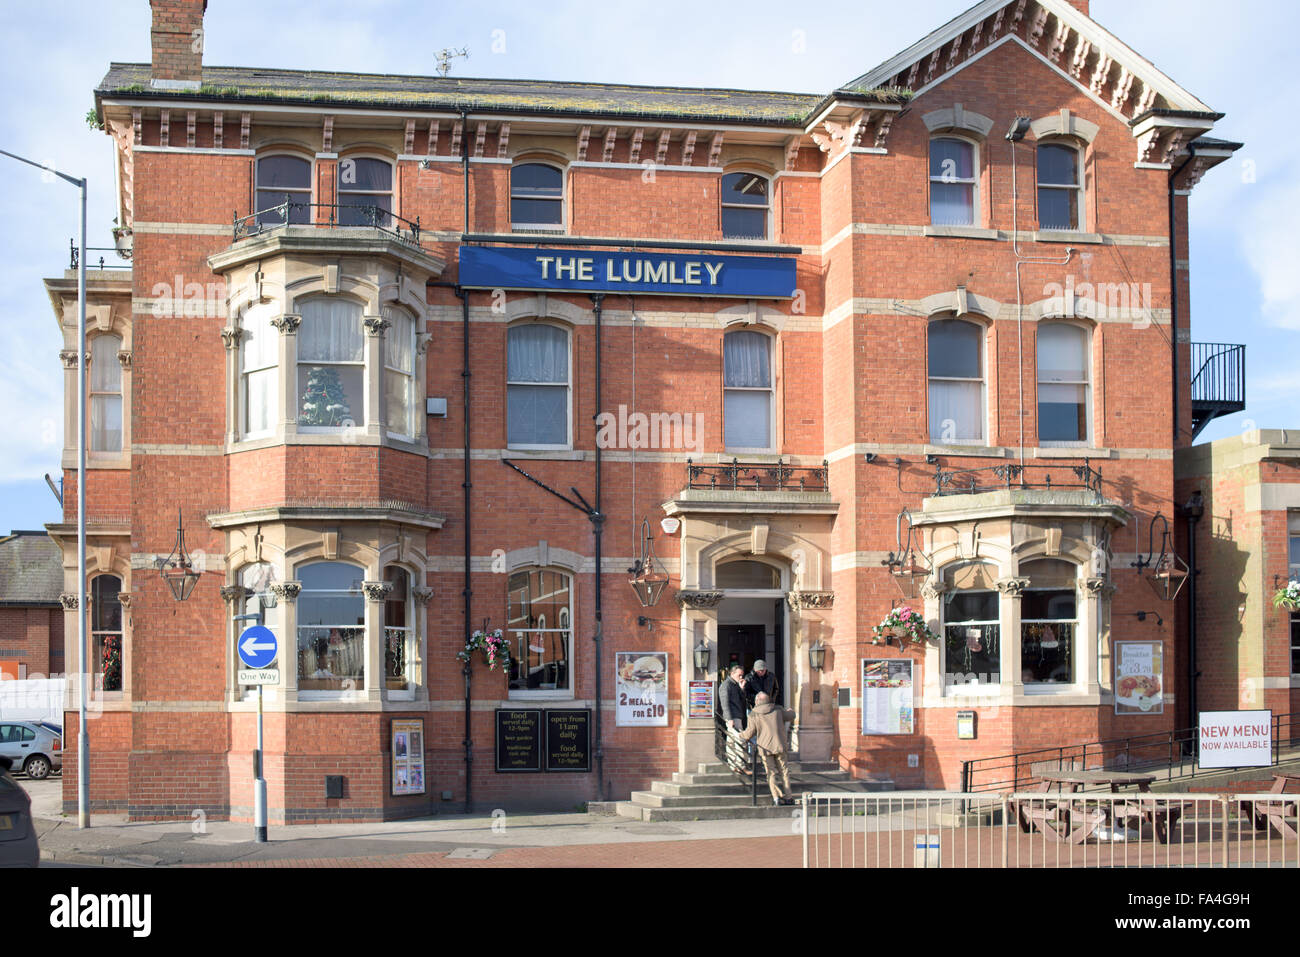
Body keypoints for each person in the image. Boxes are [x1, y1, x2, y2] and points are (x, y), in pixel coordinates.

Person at [739, 692, 798, 805]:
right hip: (780, 746)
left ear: (757, 701)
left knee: (771, 773)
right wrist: (791, 711)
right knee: (784, 772)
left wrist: (740, 734)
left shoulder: (753, 714)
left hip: (765, 749)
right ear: (768, 700)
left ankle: (776, 798)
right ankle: (788, 797)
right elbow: (791, 716)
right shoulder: (777, 710)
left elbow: (749, 733)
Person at [719, 665, 749, 732]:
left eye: (742, 675)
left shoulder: (736, 684)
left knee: (734, 738)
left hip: (738, 716)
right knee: (737, 737)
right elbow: (725, 704)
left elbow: (743, 700)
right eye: (739, 675)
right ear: (732, 674)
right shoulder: (726, 685)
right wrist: (729, 719)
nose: (741, 677)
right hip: (733, 717)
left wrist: (742, 688)